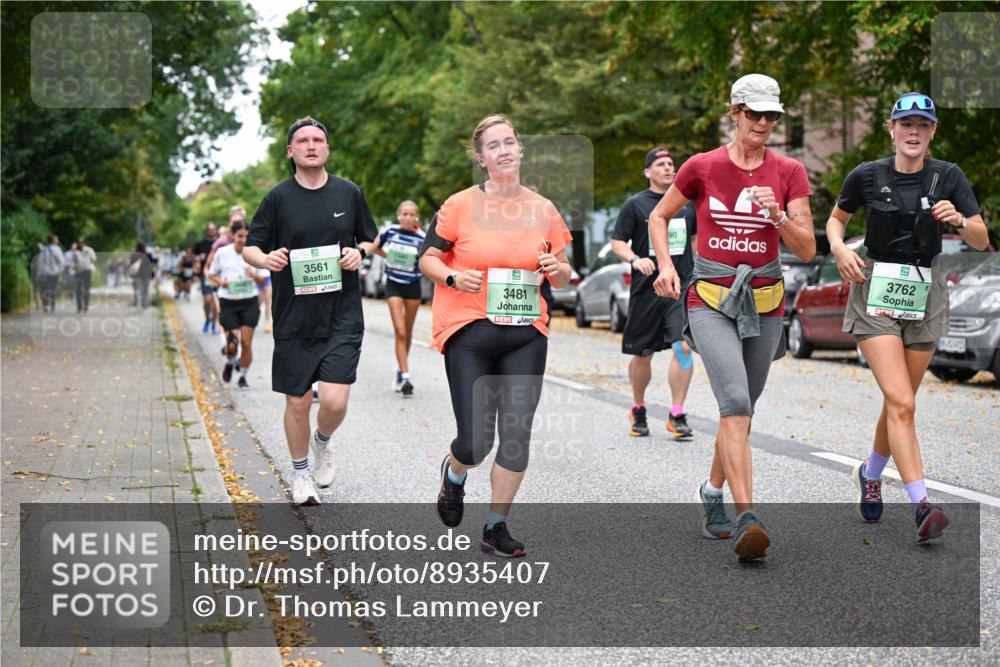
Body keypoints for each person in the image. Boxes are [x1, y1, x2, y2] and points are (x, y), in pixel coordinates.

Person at [650, 74, 815, 560]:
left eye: (772, 116)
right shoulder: (703, 167)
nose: (763, 123)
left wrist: (778, 217)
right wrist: (664, 265)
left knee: (739, 411)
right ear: (735, 112)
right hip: (710, 299)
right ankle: (748, 518)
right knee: (737, 402)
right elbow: (659, 216)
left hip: (765, 302)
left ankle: (711, 492)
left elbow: (806, 248)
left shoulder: (790, 172)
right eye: (754, 114)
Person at [826, 92, 988, 542]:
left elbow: (980, 238)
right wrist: (839, 248)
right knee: (902, 402)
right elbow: (835, 221)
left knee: (902, 400)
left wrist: (959, 219)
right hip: (874, 286)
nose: (913, 131)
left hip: (924, 289)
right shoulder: (866, 175)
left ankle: (870, 472)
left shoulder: (948, 176)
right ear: (891, 128)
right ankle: (921, 504)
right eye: (906, 124)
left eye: (922, 124)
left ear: (933, 131)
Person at [418, 114, 573, 558]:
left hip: (526, 333)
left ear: (521, 150)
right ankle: (455, 471)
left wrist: (555, 269)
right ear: (482, 159)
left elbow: (563, 275)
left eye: (510, 142)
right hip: (470, 331)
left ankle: (495, 525)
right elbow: (428, 258)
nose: (504, 150)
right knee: (475, 442)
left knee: (516, 434)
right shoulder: (459, 206)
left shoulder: (543, 209)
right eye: (494, 145)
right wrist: (450, 277)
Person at [243, 116, 378, 507]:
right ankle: (300, 475)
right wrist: (265, 259)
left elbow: (371, 237)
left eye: (318, 139)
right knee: (298, 402)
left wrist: (360, 251)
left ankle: (322, 442)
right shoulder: (277, 198)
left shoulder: (348, 193)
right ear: (291, 151)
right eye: (303, 140)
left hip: (342, 315)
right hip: (294, 316)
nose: (311, 145)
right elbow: (252, 246)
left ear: (327, 148)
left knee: (334, 402)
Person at [611, 147, 699, 440]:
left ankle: (677, 413)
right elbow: (617, 242)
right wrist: (635, 259)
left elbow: (696, 241)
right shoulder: (636, 205)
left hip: (680, 286)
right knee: (642, 353)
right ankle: (638, 407)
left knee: (683, 347)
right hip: (647, 289)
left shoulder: (686, 204)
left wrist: (701, 270)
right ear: (648, 172)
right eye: (660, 164)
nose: (667, 167)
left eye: (671, 163)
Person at [373, 200, 426, 395]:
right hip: (394, 284)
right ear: (398, 215)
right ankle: (406, 376)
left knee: (409, 331)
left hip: (413, 286)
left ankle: (399, 369)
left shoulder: (422, 237)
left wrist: (419, 263)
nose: (408, 217)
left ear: (417, 218)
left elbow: (427, 259)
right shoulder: (391, 232)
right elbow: (374, 245)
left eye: (412, 215)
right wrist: (388, 256)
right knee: (400, 331)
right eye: (404, 214)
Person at [209, 220, 269, 388]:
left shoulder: (255, 253)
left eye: (246, 236)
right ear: (232, 236)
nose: (243, 240)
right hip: (228, 302)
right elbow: (212, 274)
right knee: (231, 345)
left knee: (246, 342)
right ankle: (230, 361)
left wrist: (253, 276)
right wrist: (221, 282)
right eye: (239, 236)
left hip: (249, 302)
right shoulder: (222, 253)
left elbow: (264, 279)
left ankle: (243, 376)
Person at [193, 223, 220, 333]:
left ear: (216, 230)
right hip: (206, 275)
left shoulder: (220, 243)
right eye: (209, 229)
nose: (211, 231)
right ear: (206, 231)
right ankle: (207, 319)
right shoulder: (200, 244)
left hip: (218, 275)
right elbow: (194, 259)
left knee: (215, 302)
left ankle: (214, 323)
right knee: (207, 300)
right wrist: (198, 261)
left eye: (213, 229)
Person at [38, 234, 64, 313]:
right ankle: (52, 304)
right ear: (53, 240)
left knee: (45, 288)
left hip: (45, 272)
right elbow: (61, 261)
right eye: (56, 239)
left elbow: (40, 261)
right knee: (53, 288)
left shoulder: (44, 249)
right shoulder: (57, 249)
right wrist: (60, 270)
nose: (58, 240)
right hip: (55, 272)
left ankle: (46, 304)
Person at [74, 237, 97, 312]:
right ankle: (79, 306)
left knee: (87, 288)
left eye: (81, 242)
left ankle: (86, 305)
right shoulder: (76, 251)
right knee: (78, 289)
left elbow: (94, 259)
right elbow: (73, 261)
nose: (80, 244)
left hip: (87, 271)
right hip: (78, 271)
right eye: (79, 242)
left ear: (84, 242)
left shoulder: (89, 250)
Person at [130, 241, 155, 309]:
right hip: (146, 275)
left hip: (137, 275)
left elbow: (131, 266)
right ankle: (144, 305)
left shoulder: (134, 255)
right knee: (145, 291)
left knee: (137, 290)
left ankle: (137, 304)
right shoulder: (147, 255)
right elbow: (152, 264)